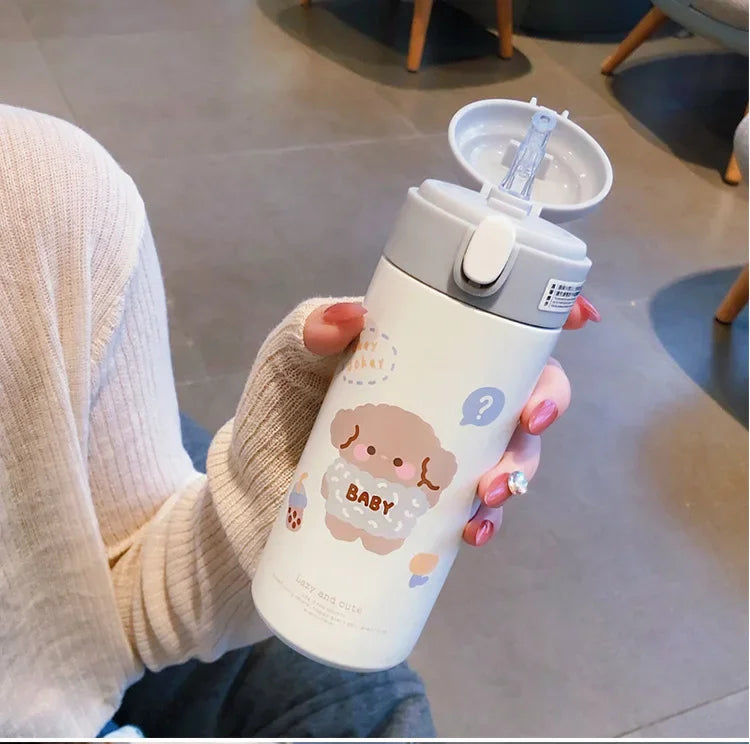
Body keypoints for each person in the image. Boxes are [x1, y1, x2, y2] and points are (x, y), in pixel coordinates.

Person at [0, 104, 599, 738]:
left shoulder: (43, 196)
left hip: (72, 684)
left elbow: (119, 599)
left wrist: (266, 486)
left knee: (381, 714)